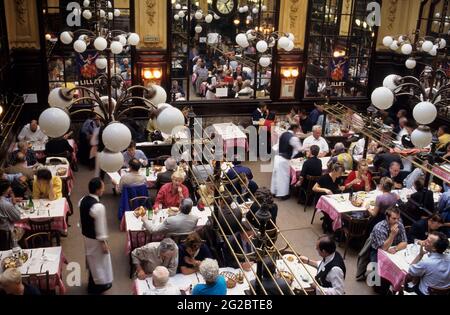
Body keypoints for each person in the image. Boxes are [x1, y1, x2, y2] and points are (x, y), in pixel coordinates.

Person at [79, 178, 113, 294]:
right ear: (98, 190)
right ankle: (97, 286)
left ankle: (92, 283)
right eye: (102, 187)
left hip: (86, 236)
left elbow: (82, 219)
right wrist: (103, 242)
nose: (104, 189)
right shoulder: (98, 207)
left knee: (91, 260)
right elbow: (100, 226)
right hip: (95, 239)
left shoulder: (82, 200)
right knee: (100, 262)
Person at [270, 124, 303, 199]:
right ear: (295, 128)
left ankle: (274, 192)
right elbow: (299, 148)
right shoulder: (293, 138)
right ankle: (283, 194)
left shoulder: (283, 134)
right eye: (298, 129)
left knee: (275, 176)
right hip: (284, 160)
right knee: (284, 178)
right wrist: (307, 147)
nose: (298, 131)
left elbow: (277, 146)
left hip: (278, 157)